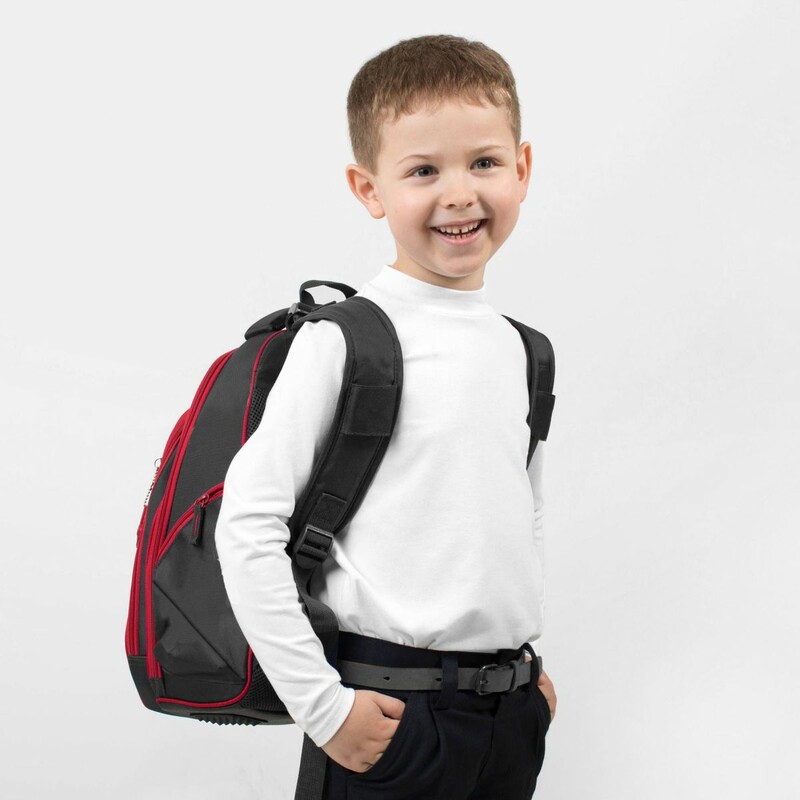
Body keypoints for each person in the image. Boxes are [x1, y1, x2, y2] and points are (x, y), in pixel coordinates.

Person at [216, 33, 557, 799]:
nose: (459, 193)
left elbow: (518, 514)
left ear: (522, 168)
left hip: (509, 718)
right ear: (369, 189)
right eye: (423, 171)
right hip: (392, 719)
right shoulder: (347, 342)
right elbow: (247, 525)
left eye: (484, 162)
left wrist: (526, 678)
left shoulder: (526, 352)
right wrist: (324, 710)